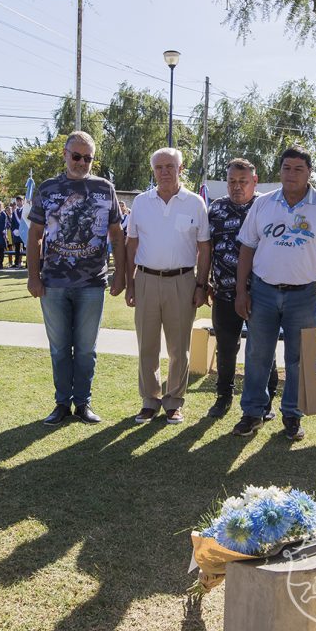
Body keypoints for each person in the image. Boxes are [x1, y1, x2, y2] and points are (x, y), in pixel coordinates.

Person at [232, 146, 316, 441]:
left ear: (309, 173)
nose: (291, 174)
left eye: (298, 169)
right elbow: (247, 247)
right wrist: (241, 291)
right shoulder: (264, 204)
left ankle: (292, 416)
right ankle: (252, 413)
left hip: (304, 295)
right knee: (258, 355)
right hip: (263, 292)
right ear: (278, 170)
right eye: (286, 168)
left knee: (298, 358)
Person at [27, 131, 126, 426]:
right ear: (65, 154)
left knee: (86, 349)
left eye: (88, 157)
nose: (82, 162)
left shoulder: (104, 188)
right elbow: (35, 235)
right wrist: (33, 277)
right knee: (59, 348)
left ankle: (83, 403)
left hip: (92, 283)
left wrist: (120, 274)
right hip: (54, 282)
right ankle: (61, 403)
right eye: (77, 156)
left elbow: (117, 236)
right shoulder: (47, 189)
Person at [125, 148, 210, 425]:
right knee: (147, 345)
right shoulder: (141, 202)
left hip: (183, 281)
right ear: (153, 171)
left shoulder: (195, 203)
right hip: (146, 279)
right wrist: (130, 282)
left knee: (178, 348)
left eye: (170, 166)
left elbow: (204, 247)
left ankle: (173, 401)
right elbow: (131, 244)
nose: (164, 171)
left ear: (181, 169)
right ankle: (150, 400)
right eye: (159, 167)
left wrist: (201, 284)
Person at [205, 158, 279, 420]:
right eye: (231, 182)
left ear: (254, 181)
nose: (237, 187)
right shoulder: (216, 208)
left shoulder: (267, 207)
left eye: (242, 182)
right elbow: (206, 248)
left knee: (262, 348)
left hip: (261, 293)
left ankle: (267, 400)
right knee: (226, 347)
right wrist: (205, 281)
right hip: (224, 292)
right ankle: (223, 397)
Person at [9, 196, 25, 268]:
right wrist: (14, 230)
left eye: (20, 201)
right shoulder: (14, 211)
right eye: (17, 201)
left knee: (26, 248)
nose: (19, 202)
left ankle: (28, 263)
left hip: (25, 232)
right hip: (17, 232)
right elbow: (12, 223)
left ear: (23, 201)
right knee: (17, 249)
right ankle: (16, 263)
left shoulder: (26, 210)